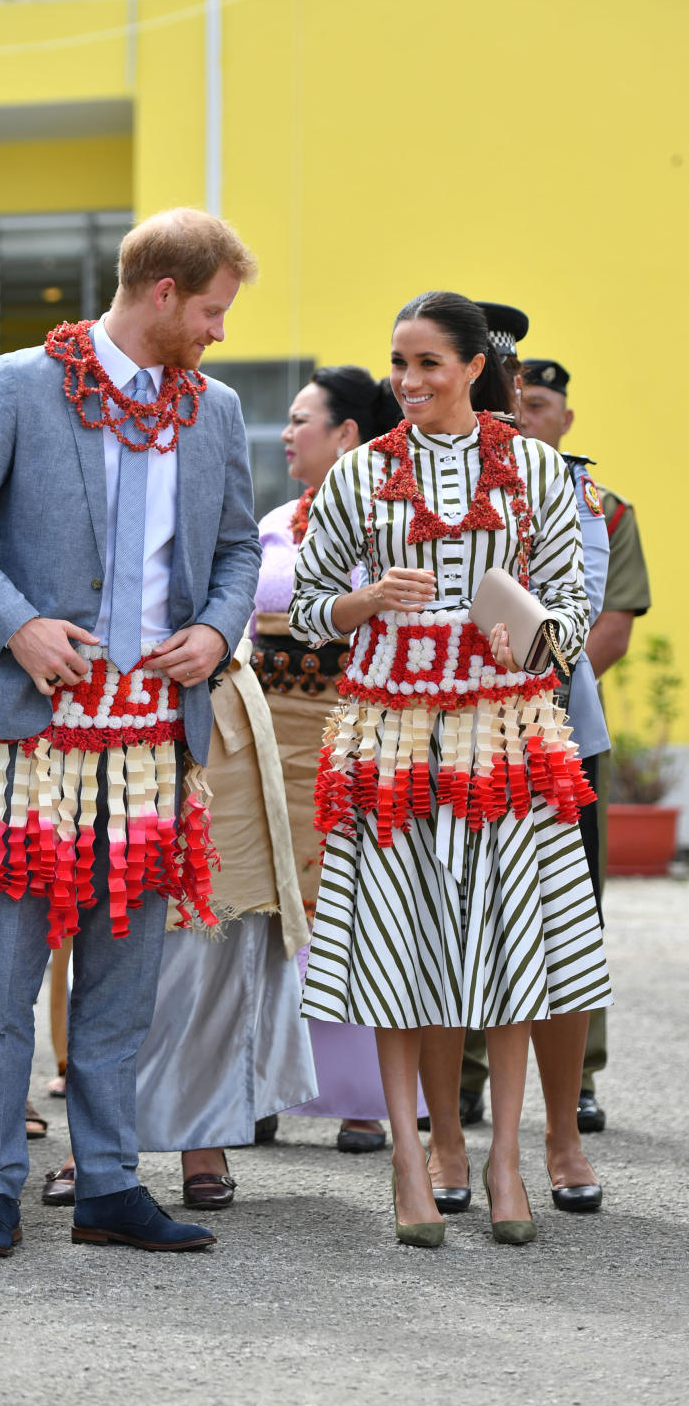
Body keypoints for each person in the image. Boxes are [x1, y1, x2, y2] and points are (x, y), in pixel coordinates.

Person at [0, 206, 262, 1258]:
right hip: (33, 736)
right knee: (11, 973)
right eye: (210, 310)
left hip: (156, 736)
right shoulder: (25, 382)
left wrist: (213, 628)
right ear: (162, 293)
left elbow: (239, 548)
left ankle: (110, 1182)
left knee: (125, 977)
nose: (217, 332)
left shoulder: (217, 408)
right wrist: (14, 625)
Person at [290, 291, 612, 1248]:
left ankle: (505, 1160)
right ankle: (410, 1161)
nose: (408, 381)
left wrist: (526, 631)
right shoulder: (358, 477)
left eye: (428, 363)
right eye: (399, 362)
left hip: (503, 739)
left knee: (507, 951)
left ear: (476, 367)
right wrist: (365, 599)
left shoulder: (542, 473)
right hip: (389, 738)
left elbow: (569, 616)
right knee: (401, 954)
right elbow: (307, 611)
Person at [421, 329, 611, 1217]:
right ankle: (450, 1141)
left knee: (557, 944)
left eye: (500, 398)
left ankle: (561, 1134)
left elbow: (583, 606)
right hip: (422, 738)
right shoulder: (398, 475)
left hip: (543, 735)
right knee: (437, 937)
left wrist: (526, 630)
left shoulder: (560, 484)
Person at [43, 636, 318, 1210]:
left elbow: (236, 557)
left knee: (218, 935)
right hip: (98, 701)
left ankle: (206, 1139)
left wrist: (216, 631)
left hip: (211, 697)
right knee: (110, 927)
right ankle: (93, 1143)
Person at [252, 366, 424, 1151]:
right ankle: (258, 1083)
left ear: (347, 434)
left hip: (354, 728)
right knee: (265, 904)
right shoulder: (273, 519)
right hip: (265, 734)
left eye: (301, 420)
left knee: (353, 905)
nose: (287, 434)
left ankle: (363, 1096)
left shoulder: (390, 520)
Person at [520, 356, 651, 1133]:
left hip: (566, 727)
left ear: (565, 418)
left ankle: (580, 1079)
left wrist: (544, 689)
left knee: (572, 909)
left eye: (540, 404)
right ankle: (466, 1073)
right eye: (517, 399)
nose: (528, 415)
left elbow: (609, 625)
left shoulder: (602, 506)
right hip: (476, 726)